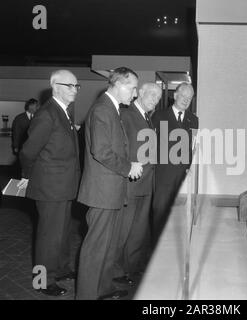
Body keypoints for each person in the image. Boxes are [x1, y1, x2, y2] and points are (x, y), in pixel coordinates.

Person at [76, 67, 142, 300]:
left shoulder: (111, 109)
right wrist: (128, 167)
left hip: (110, 191)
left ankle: (102, 289)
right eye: (133, 88)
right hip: (102, 192)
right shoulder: (103, 109)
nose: (134, 94)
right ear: (119, 84)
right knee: (96, 248)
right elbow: (101, 151)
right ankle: (86, 296)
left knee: (107, 246)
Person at [18, 70, 81, 296]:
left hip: (63, 185)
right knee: (48, 237)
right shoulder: (47, 114)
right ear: (55, 86)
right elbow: (27, 152)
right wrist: (28, 177)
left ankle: (61, 269)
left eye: (76, 86)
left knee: (62, 233)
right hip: (50, 187)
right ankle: (42, 281)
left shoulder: (63, 112)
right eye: (70, 85)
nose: (75, 90)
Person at [115, 83, 162, 286]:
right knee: (123, 231)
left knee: (138, 231)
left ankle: (130, 268)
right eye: (151, 94)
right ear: (139, 93)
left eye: (158, 97)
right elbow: (119, 149)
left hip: (145, 183)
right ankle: (115, 270)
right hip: (131, 183)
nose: (154, 99)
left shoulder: (147, 118)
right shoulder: (126, 115)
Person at [151, 82, 199, 249]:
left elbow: (193, 147)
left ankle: (175, 251)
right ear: (175, 95)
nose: (186, 100)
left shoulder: (193, 119)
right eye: (183, 96)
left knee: (180, 216)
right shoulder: (158, 116)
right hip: (163, 176)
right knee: (160, 215)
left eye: (190, 98)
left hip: (184, 178)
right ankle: (156, 251)